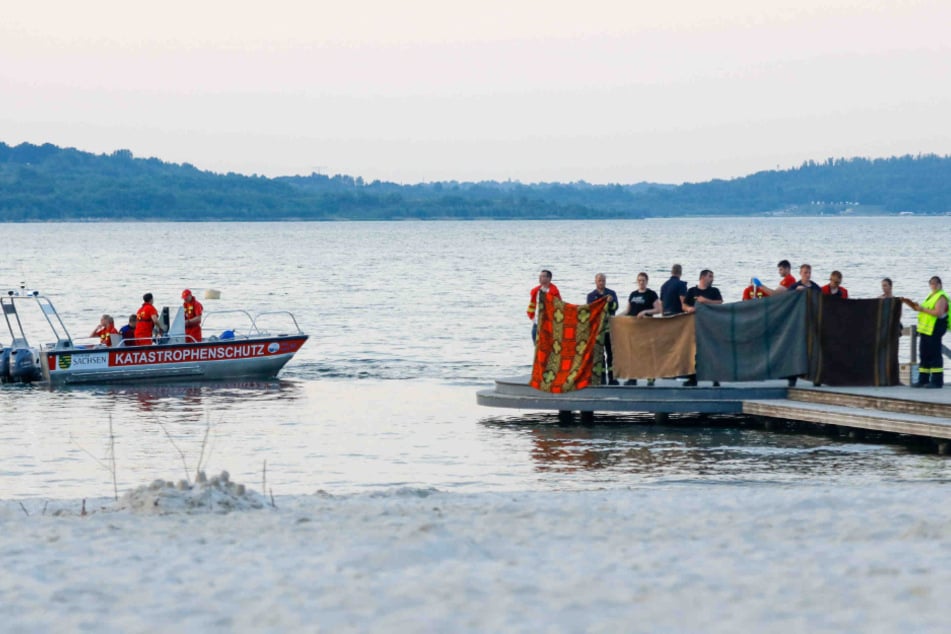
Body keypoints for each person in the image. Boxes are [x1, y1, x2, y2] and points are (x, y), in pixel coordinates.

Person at [906, 276, 949, 389]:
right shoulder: (930, 296)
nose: (933, 286)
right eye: (931, 283)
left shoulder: (941, 297)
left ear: (940, 284)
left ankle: (936, 381)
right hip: (926, 330)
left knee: (935, 355)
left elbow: (938, 313)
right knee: (924, 354)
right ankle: (923, 379)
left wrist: (922, 309)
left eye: (935, 283)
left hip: (935, 328)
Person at [682, 270, 723, 387]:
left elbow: (720, 302)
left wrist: (706, 301)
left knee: (712, 351)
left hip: (711, 326)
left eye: (712, 277)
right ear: (703, 277)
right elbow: (684, 305)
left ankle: (715, 379)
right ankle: (692, 378)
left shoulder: (714, 291)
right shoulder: (692, 291)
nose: (712, 279)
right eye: (710, 276)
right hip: (695, 326)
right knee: (693, 352)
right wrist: (689, 309)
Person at [622, 272, 661, 386]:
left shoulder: (651, 294)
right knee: (633, 352)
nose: (641, 282)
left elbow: (658, 309)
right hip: (634, 327)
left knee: (647, 352)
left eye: (643, 280)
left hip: (647, 326)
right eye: (639, 280)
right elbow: (627, 311)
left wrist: (646, 312)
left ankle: (650, 377)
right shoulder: (633, 294)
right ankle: (633, 377)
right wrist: (616, 317)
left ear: (647, 281)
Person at [586, 273, 619, 385]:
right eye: (599, 280)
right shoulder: (591, 295)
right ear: (595, 281)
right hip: (597, 330)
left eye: (603, 280)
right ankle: (601, 377)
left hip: (610, 329)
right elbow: (590, 311)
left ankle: (612, 378)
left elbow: (615, 308)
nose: (601, 282)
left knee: (611, 354)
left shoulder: (611, 293)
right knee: (599, 355)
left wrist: (610, 303)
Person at [527, 269, 561, 342]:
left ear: (549, 278)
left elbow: (559, 307)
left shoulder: (554, 292)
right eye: (540, 276)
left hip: (549, 325)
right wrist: (532, 317)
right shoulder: (536, 291)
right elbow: (532, 305)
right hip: (536, 324)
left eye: (542, 276)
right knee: (536, 347)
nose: (540, 278)